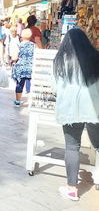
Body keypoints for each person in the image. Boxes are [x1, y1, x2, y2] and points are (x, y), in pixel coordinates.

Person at [53, 28, 99, 201]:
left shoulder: (60, 61)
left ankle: (72, 189)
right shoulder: (96, 58)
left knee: (72, 147)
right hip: (95, 109)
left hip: (70, 111)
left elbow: (55, 88)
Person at [11, 29, 34, 106]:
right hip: (30, 67)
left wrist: (12, 60)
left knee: (19, 84)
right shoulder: (34, 45)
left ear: (21, 36)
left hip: (20, 68)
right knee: (29, 84)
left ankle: (18, 101)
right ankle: (30, 100)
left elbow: (14, 57)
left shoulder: (19, 45)